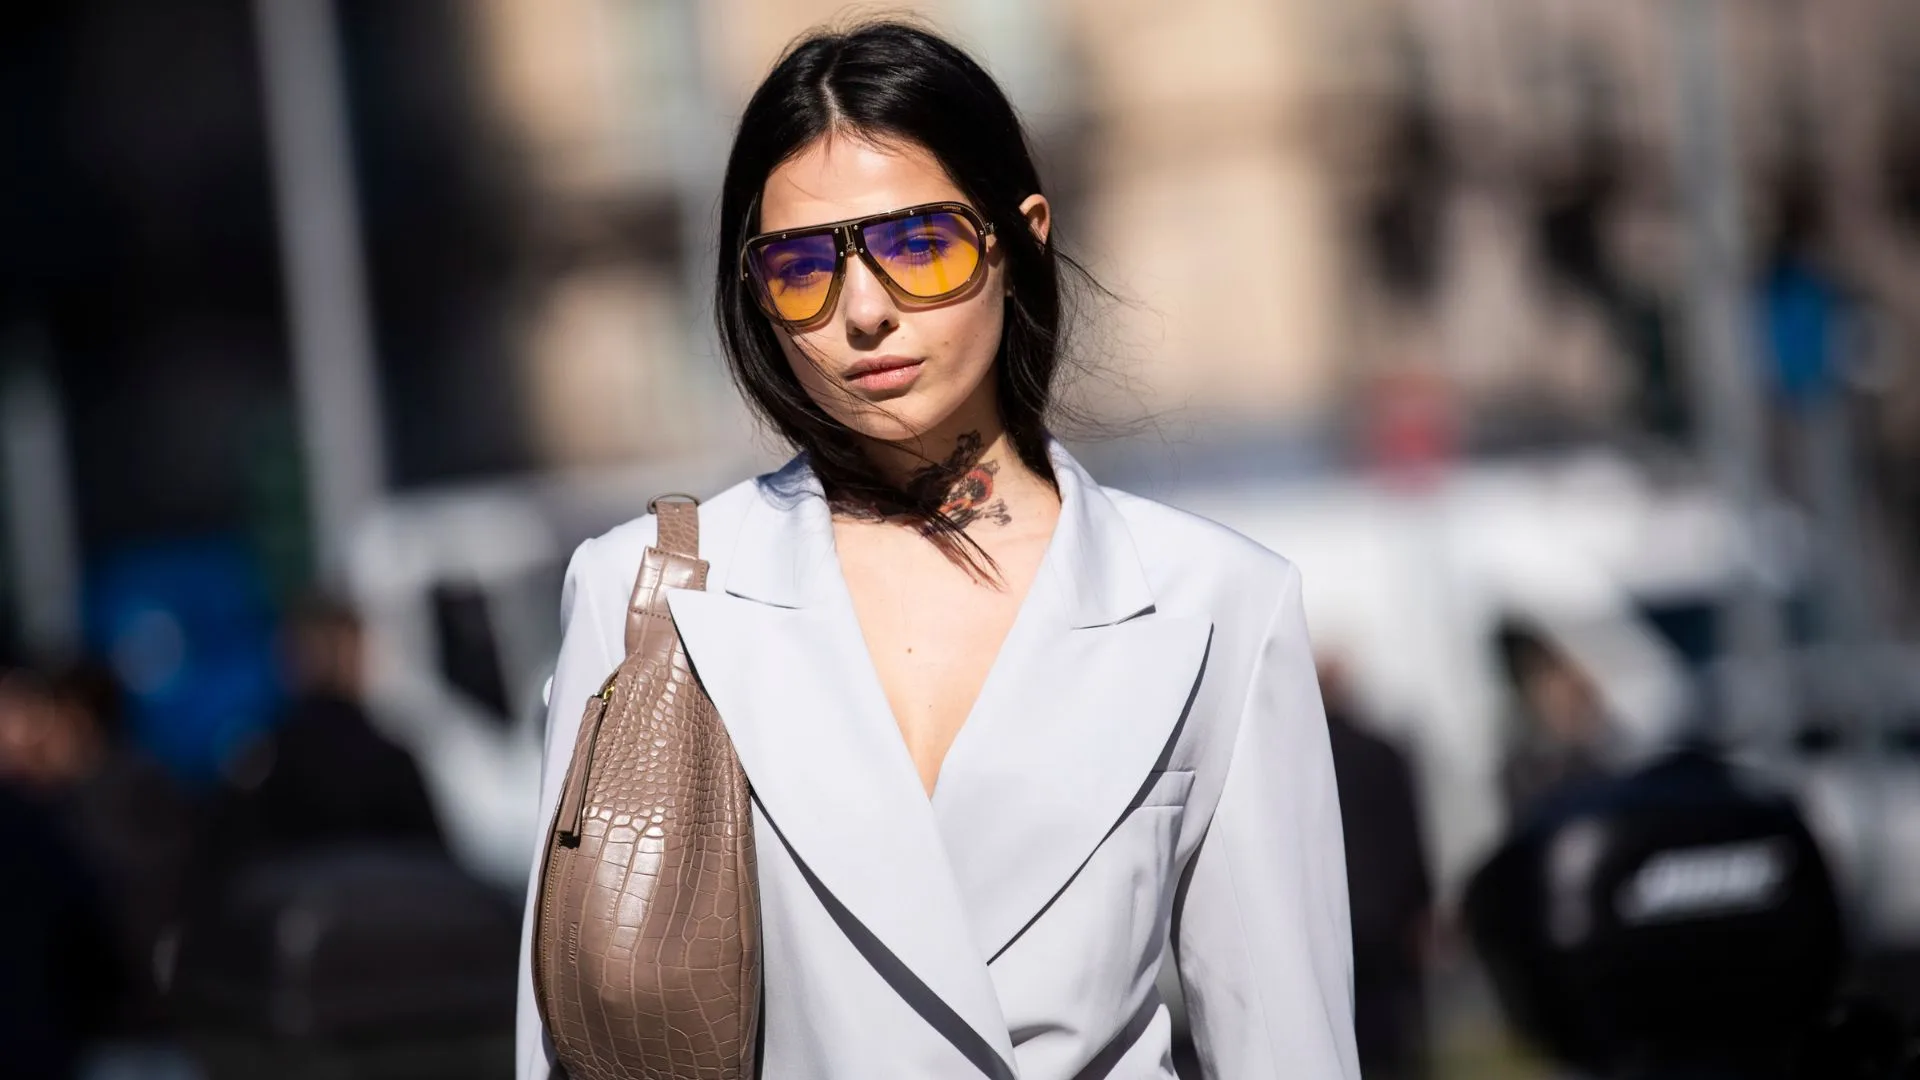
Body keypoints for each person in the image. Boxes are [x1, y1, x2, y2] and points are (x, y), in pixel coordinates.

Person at [515, 20, 1357, 1080]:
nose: (862, 311)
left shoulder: (1219, 603)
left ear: (1021, 236)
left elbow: (1288, 1046)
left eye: (920, 244)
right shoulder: (650, 594)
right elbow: (560, 1043)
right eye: (800, 269)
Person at [1318, 657, 1433, 1080]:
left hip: (1334, 918)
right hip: (1386, 919)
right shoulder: (1382, 749)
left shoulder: (1302, 757)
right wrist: (1422, 903)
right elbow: (1412, 834)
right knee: (1394, 1040)